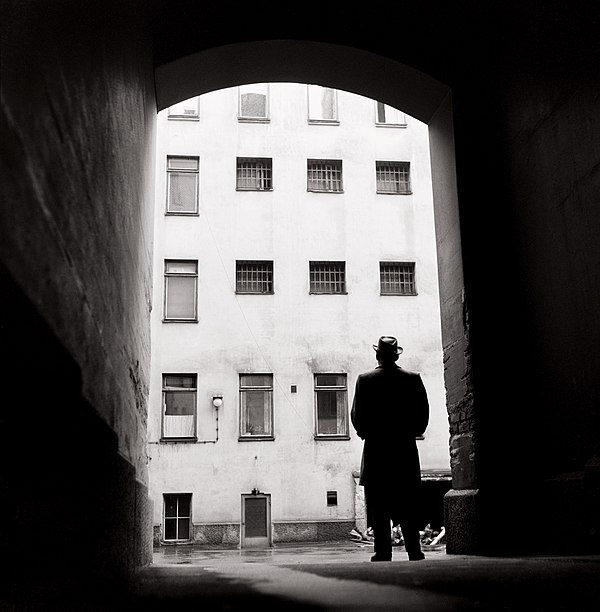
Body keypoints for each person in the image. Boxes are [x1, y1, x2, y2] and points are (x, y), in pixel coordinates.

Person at [351, 336, 429, 562]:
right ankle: (414, 550)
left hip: (376, 450)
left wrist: (368, 434)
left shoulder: (365, 380)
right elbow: (422, 415)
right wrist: (410, 433)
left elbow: (357, 417)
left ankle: (383, 551)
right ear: (396, 356)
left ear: (377, 355)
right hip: (404, 449)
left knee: (379, 504)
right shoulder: (412, 379)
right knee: (408, 503)